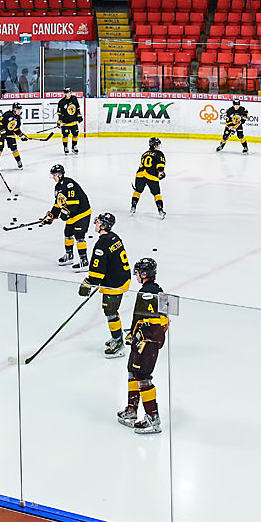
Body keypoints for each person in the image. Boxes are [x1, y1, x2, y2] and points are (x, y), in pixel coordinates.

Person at [118, 258, 169, 434]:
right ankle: (131, 410)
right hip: (143, 342)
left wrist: (138, 335)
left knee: (143, 377)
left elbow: (143, 319)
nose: (136, 275)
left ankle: (153, 419)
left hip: (146, 343)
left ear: (144, 273)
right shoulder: (158, 291)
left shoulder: (146, 293)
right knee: (132, 371)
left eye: (138, 272)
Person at [79, 212, 132, 358]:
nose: (95, 224)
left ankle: (118, 341)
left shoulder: (102, 244)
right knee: (111, 310)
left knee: (110, 311)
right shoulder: (114, 237)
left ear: (103, 225)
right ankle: (117, 337)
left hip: (114, 283)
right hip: (122, 278)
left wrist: (87, 284)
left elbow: (96, 275)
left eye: (98, 222)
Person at [37, 163, 92, 268]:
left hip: (82, 213)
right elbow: (58, 204)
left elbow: (74, 203)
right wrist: (51, 216)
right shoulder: (58, 187)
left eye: (54, 175)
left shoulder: (69, 184)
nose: (53, 177)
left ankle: (84, 261)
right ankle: (69, 255)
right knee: (68, 233)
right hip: (72, 215)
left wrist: (65, 214)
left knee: (79, 235)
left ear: (60, 174)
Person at [131, 136, 166, 218]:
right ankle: (160, 210)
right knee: (157, 194)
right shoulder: (159, 153)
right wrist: (161, 173)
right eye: (157, 144)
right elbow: (160, 165)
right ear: (155, 145)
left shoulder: (145, 153)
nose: (158, 146)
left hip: (140, 175)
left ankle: (133, 207)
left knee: (137, 191)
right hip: (151, 176)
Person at [0, 102, 25, 170]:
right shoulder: (7, 114)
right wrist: (2, 131)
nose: (19, 111)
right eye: (18, 110)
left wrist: (21, 135)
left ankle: (19, 162)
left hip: (10, 133)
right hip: (0, 134)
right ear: (14, 109)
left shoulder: (18, 118)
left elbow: (16, 129)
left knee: (14, 148)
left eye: (19, 110)